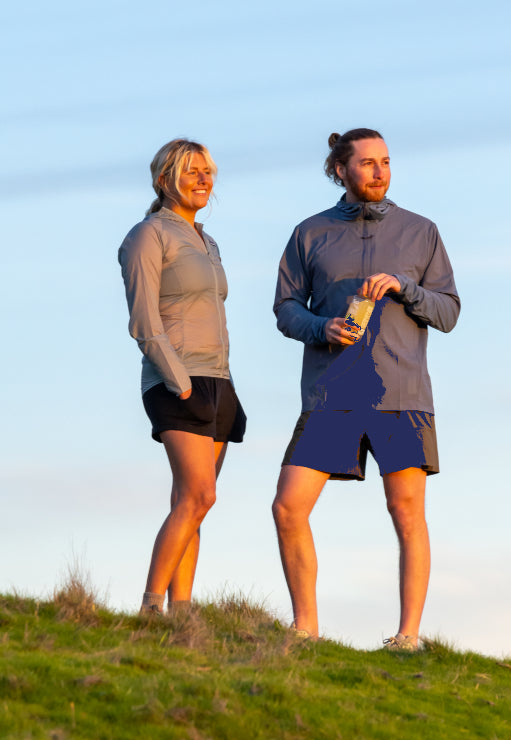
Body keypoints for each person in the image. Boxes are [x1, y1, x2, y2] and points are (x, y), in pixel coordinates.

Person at [271, 128, 460, 649]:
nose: (380, 172)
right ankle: (305, 629)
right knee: (288, 507)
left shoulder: (421, 231)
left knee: (407, 512)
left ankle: (408, 637)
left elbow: (449, 312)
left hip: (401, 396)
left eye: (386, 162)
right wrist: (321, 327)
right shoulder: (310, 233)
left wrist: (405, 287)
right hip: (330, 396)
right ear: (341, 170)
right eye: (368, 163)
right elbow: (285, 308)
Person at [118, 138, 246, 616]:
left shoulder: (208, 243)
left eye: (207, 171)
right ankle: (151, 608)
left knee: (191, 503)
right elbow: (143, 320)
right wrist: (180, 381)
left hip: (219, 380)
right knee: (199, 495)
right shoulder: (148, 235)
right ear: (163, 180)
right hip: (177, 380)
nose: (203, 179)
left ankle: (183, 615)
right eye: (191, 171)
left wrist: (222, 384)